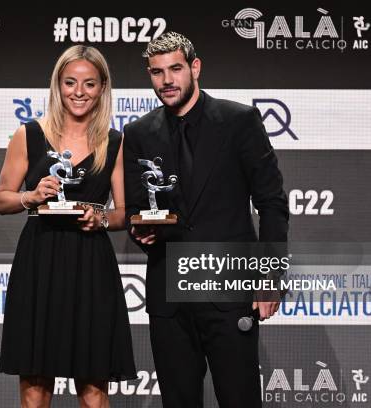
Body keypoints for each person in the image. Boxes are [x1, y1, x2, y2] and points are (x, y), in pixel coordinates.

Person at [123, 32, 289, 407]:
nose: (166, 80)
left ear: (194, 68)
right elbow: (138, 208)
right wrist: (141, 233)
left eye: (175, 69)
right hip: (170, 297)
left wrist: (270, 276)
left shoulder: (239, 121)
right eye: (156, 72)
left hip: (230, 292)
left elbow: (272, 203)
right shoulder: (137, 134)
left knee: (240, 400)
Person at [0, 45, 136, 408]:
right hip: (40, 261)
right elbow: (1, 199)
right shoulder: (28, 134)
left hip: (91, 263)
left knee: (93, 388)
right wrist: (32, 196)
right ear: (57, 85)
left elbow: (126, 213)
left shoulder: (115, 142)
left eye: (89, 84)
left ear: (102, 88)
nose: (79, 91)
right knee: (35, 384)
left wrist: (101, 218)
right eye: (70, 82)